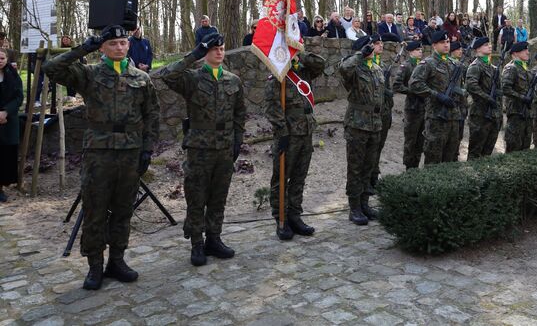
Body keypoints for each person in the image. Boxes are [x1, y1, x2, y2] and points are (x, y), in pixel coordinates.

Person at [43, 25, 159, 290]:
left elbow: (152, 114)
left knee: (123, 210)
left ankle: (116, 261)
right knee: (95, 210)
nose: (119, 47)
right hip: (99, 153)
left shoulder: (141, 78)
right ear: (103, 48)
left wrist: (147, 149)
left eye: (123, 42)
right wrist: (85, 47)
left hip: (130, 153)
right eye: (113, 43)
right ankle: (95, 266)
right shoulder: (90, 74)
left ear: (129, 45)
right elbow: (52, 68)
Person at [162, 33, 245, 266]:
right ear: (205, 53)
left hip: (224, 148)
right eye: (214, 49)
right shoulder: (192, 79)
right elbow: (166, 75)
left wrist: (238, 139)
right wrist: (193, 55)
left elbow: (240, 113)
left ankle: (214, 239)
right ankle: (197, 243)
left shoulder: (233, 80)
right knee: (197, 197)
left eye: (222, 48)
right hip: (200, 148)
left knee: (219, 196)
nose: (219, 52)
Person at [263, 51, 326, 240]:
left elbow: (320, 63)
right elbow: (271, 107)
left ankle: (295, 215)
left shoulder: (304, 73)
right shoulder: (278, 75)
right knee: (281, 178)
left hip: (305, 133)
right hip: (288, 135)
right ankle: (281, 218)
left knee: (299, 177)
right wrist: (281, 132)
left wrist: (300, 54)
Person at [339, 36, 384, 225]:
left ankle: (365, 203)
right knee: (356, 167)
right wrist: (360, 54)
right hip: (358, 124)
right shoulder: (354, 67)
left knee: (370, 166)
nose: (374, 48)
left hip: (375, 124)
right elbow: (344, 68)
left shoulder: (376, 68)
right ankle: (354, 207)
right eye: (371, 45)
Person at [409, 30, 460, 164]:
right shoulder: (428, 63)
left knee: (450, 159)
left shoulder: (453, 64)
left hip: (453, 118)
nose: (446, 45)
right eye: (442, 42)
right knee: (433, 158)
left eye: (448, 42)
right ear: (434, 46)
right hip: (436, 117)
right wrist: (437, 95)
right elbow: (414, 84)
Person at [370, 33, 402, 194]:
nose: (380, 46)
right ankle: (369, 179)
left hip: (384, 112)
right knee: (372, 148)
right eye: (377, 43)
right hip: (372, 114)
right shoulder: (367, 64)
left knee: (379, 147)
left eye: (381, 43)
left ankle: (374, 177)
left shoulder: (383, 64)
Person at [466, 37, 502, 159]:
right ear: (478, 49)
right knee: (475, 151)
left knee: (487, 151)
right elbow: (471, 86)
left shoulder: (493, 68)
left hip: (492, 115)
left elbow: (499, 91)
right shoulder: (475, 66)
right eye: (486, 45)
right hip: (479, 115)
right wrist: (488, 98)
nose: (490, 46)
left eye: (489, 44)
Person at [393, 41, 426, 169]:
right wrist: (412, 91)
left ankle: (415, 166)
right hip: (412, 108)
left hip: (424, 107)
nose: (420, 51)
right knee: (410, 140)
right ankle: (408, 167)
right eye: (418, 50)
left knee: (420, 140)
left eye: (421, 49)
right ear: (411, 52)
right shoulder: (406, 66)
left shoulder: (423, 65)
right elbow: (397, 85)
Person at [502, 41, 534, 152]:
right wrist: (522, 98)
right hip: (516, 112)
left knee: (525, 146)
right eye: (524, 50)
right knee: (514, 146)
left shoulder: (526, 69)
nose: (528, 53)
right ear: (515, 53)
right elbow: (505, 89)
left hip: (526, 113)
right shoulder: (511, 68)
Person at [0, 48, 23, 202]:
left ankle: (0, 187)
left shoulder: (13, 75)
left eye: (2, 57)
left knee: (5, 155)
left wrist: (5, 112)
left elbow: (19, 96)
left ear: (6, 59)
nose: (0, 60)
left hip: (8, 121)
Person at [449, 40, 468, 156]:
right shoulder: (449, 65)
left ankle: (455, 153)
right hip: (452, 103)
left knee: (459, 133)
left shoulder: (461, 65)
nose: (460, 51)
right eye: (458, 49)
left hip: (461, 105)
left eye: (461, 49)